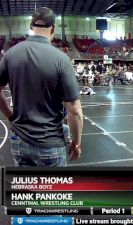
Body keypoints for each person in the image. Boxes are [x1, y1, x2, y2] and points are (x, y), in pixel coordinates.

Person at [0, 7, 83, 166]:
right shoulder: (61, 59)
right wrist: (77, 143)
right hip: (50, 144)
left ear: (31, 27)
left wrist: (11, 116)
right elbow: (75, 111)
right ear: (53, 28)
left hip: (19, 141)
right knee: (54, 190)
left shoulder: (11, 54)